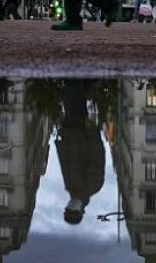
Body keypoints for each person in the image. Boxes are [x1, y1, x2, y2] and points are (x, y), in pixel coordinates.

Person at [56, 80, 105, 224]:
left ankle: (85, 80)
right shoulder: (92, 186)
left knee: (71, 94)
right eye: (73, 210)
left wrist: (61, 137)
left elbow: (65, 161)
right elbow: (97, 157)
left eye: (67, 209)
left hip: (71, 132)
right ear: (82, 210)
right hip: (81, 132)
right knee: (72, 91)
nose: (70, 206)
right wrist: (92, 133)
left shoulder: (70, 187)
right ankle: (86, 76)